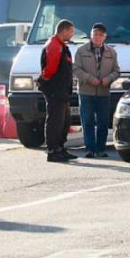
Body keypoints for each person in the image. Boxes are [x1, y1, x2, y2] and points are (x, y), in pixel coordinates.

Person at [73, 23, 120, 158]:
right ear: (91, 35)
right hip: (86, 91)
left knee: (103, 121)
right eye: (95, 34)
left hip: (103, 93)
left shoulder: (111, 52)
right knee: (87, 120)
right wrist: (89, 78)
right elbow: (76, 69)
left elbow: (116, 71)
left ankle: (100, 149)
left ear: (104, 37)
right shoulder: (81, 51)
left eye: (100, 35)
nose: (97, 37)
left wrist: (108, 79)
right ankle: (89, 149)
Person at [37, 19, 78, 163]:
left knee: (65, 121)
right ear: (64, 30)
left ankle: (60, 148)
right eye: (71, 31)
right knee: (55, 121)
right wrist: (44, 81)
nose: (72, 34)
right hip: (55, 90)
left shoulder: (61, 45)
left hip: (62, 91)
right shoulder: (54, 45)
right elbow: (50, 69)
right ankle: (52, 150)